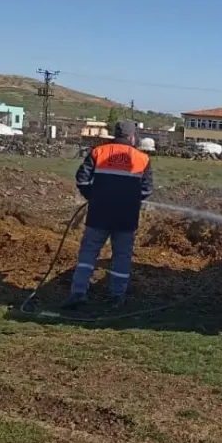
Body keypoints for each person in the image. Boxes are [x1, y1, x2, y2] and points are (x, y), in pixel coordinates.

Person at [61, 120, 153, 310]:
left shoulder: (98, 152)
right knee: (121, 256)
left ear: (115, 134)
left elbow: (82, 179)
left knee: (88, 253)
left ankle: (78, 293)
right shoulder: (142, 158)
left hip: (99, 214)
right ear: (132, 136)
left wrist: (94, 197)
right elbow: (146, 189)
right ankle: (116, 297)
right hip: (126, 217)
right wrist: (131, 202)